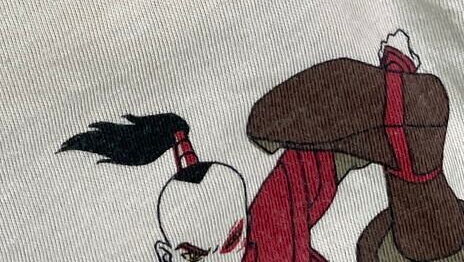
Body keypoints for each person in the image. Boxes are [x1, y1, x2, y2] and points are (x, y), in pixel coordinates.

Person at [60, 31, 464, 262]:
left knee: (417, 237)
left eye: (232, 241)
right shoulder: (268, 233)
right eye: (192, 256)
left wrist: (393, 82)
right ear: (167, 253)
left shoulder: (267, 237)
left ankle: (411, 152)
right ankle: (411, 153)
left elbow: (309, 165)